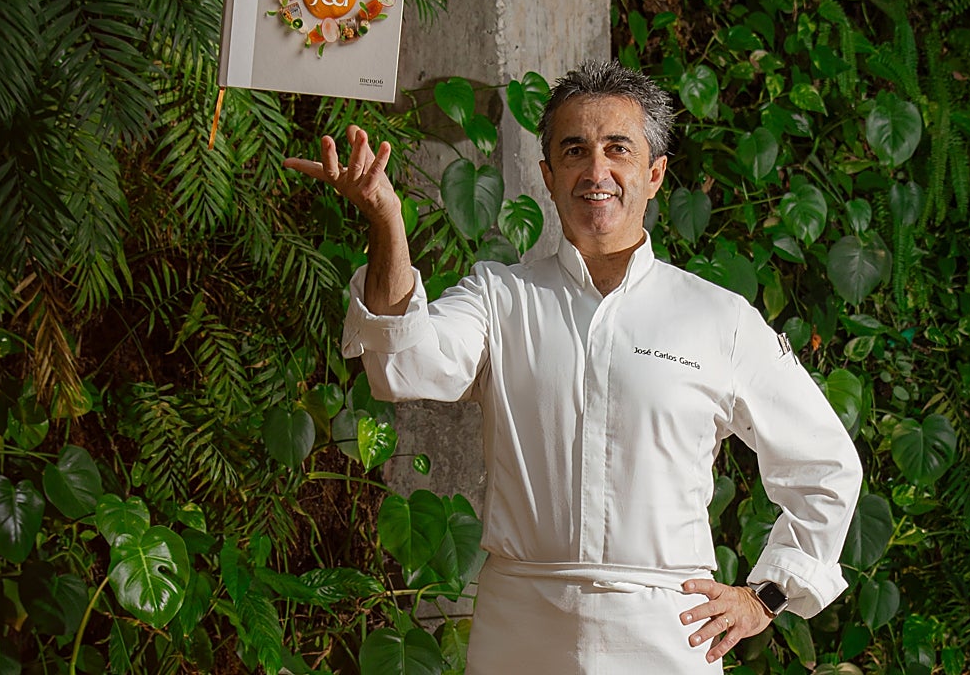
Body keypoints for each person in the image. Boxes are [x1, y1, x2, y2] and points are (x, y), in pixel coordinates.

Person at [283, 60, 862, 673]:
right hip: (521, 628)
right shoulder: (499, 297)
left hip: (669, 631)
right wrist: (386, 220)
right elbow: (407, 361)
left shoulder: (718, 319)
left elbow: (823, 463)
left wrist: (766, 595)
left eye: (619, 149)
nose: (597, 171)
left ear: (655, 174)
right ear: (548, 175)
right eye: (575, 151)